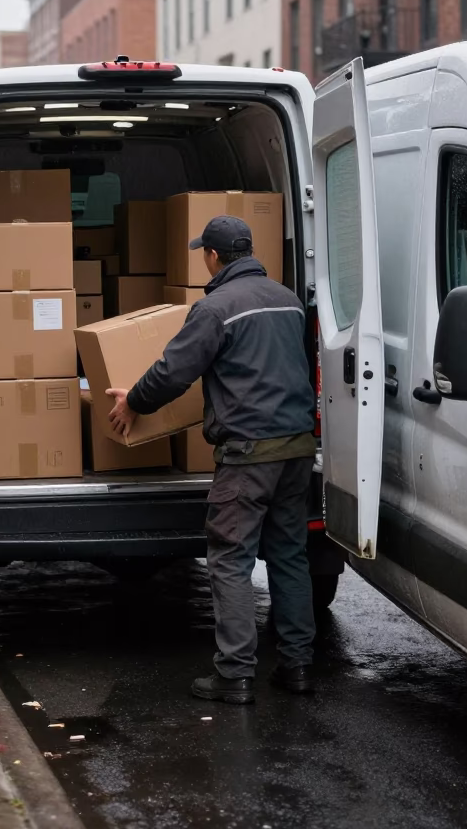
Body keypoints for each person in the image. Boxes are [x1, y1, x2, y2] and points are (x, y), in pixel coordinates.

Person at [106, 215, 318, 704]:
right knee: (288, 556)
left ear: (214, 257)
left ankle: (236, 674)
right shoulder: (288, 301)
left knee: (230, 559)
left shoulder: (215, 308)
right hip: (297, 448)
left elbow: (172, 372)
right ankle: (299, 666)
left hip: (248, 454)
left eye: (204, 250)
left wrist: (132, 402)